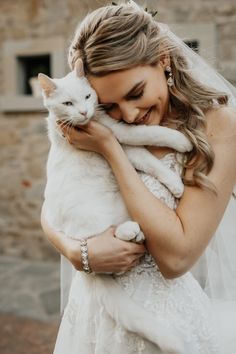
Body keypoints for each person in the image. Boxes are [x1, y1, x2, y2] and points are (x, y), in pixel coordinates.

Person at [41, 1, 236, 353]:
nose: (128, 116)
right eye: (110, 106)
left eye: (135, 94)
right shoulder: (87, 118)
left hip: (163, 321)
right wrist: (77, 251)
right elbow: (53, 201)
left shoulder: (218, 125)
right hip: (91, 315)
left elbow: (176, 258)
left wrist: (111, 150)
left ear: (163, 58)